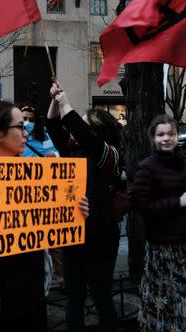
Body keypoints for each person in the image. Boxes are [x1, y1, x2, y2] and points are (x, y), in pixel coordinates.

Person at [0, 100, 89, 331]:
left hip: (31, 304)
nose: (26, 132)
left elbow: (49, 228)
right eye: (20, 127)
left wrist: (74, 212)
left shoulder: (34, 176)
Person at [46, 83, 122, 332]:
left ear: (101, 131)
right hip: (73, 238)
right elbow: (54, 128)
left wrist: (67, 103)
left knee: (101, 298)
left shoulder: (109, 155)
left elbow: (87, 138)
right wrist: (56, 101)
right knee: (74, 299)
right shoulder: (74, 151)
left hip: (100, 238)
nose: (82, 130)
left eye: (89, 125)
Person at [133, 114, 186, 331]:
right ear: (153, 138)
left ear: (176, 136)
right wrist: (178, 202)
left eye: (170, 134)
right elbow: (145, 208)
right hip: (165, 250)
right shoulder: (146, 168)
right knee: (168, 300)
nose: (166, 139)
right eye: (160, 134)